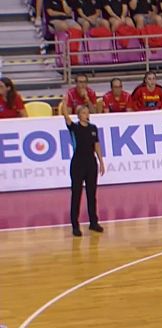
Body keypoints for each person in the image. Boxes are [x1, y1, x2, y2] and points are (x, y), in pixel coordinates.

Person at [60, 100, 105, 237]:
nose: (87, 115)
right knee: (76, 193)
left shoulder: (93, 128)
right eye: (84, 113)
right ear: (78, 115)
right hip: (78, 164)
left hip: (91, 163)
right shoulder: (74, 127)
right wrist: (64, 102)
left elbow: (96, 145)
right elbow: (65, 116)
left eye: (87, 112)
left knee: (92, 194)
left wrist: (101, 161)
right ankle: (75, 224)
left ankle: (93, 222)